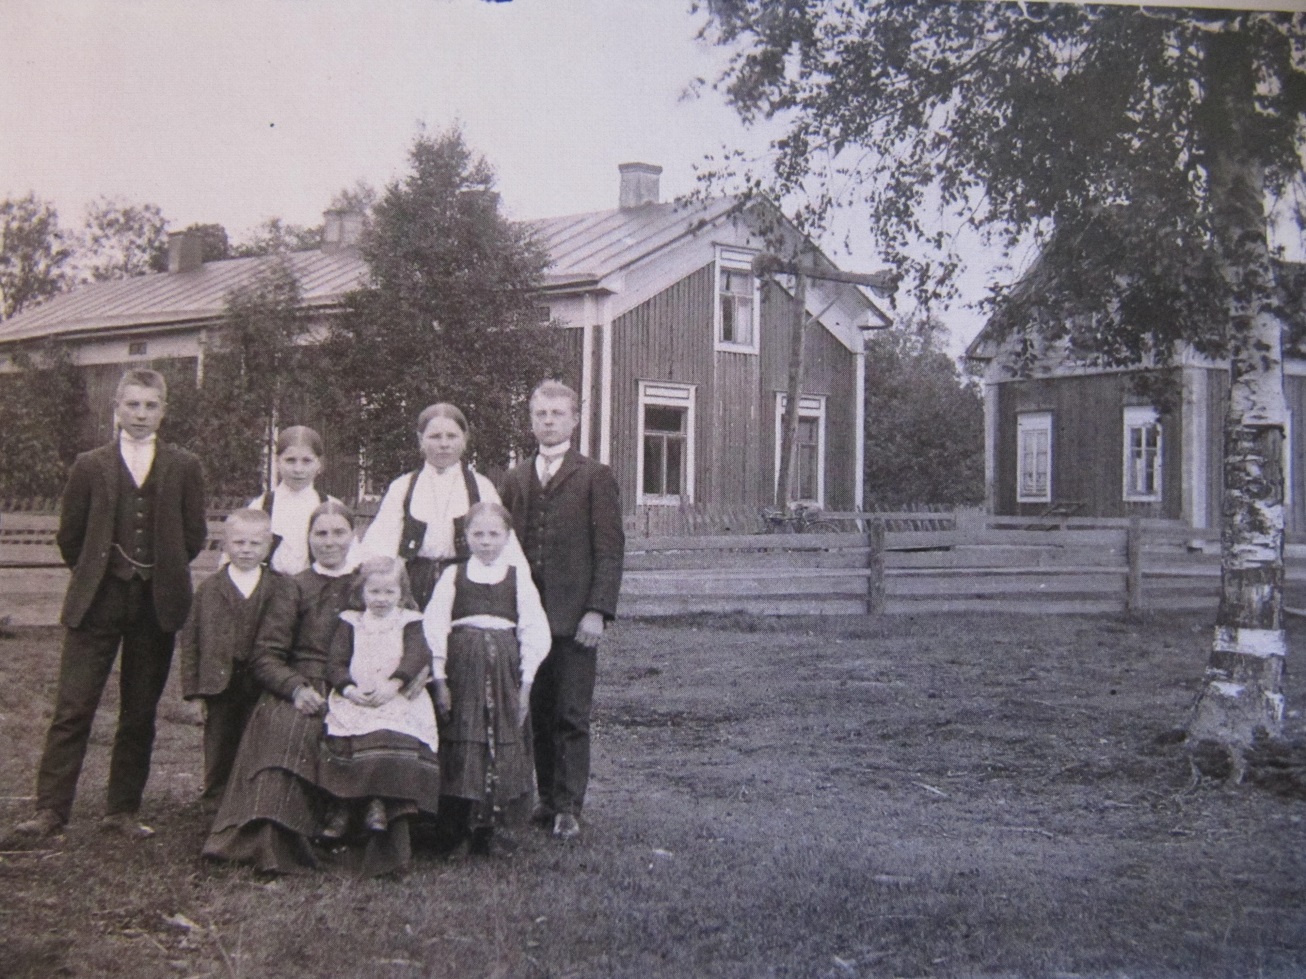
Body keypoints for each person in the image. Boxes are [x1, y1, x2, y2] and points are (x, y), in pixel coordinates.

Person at [8, 369, 207, 843]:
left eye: (150, 405)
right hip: (98, 601)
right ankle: (50, 811)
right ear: (116, 408)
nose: (141, 415)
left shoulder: (185, 466)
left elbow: (193, 536)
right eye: (132, 405)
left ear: (164, 410)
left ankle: (121, 810)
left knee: (139, 711)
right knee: (73, 708)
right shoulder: (89, 465)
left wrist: (156, 571)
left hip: (155, 604)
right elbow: (70, 537)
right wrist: (100, 571)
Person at [202, 500, 360, 873]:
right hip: (300, 682)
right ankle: (273, 838)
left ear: (354, 536)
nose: (330, 541)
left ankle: (351, 834)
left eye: (339, 532)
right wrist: (295, 688)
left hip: (355, 682)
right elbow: (266, 655)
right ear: (308, 537)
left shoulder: (369, 582)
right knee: (283, 732)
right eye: (320, 533)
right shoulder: (293, 587)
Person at [497, 380, 624, 841]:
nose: (548, 422)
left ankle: (569, 806)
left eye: (557, 414)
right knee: (537, 711)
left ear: (574, 419)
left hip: (575, 620)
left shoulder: (595, 476)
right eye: (540, 415)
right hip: (527, 621)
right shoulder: (514, 479)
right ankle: (545, 798)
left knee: (571, 713)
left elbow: (609, 551)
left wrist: (597, 611)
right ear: (531, 420)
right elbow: (504, 548)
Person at [423, 502, 550, 855]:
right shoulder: (453, 576)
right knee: (464, 735)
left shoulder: (517, 576)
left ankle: (490, 828)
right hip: (464, 668)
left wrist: (526, 683)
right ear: (465, 538)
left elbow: (533, 628)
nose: (486, 542)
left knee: (502, 736)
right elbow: (435, 625)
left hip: (506, 669)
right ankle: (457, 829)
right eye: (478, 534)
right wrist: (439, 677)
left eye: (494, 534)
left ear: (508, 537)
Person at [317, 555, 443, 865]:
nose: (382, 599)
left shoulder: (410, 621)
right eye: (374, 592)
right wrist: (348, 688)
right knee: (345, 733)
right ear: (362, 593)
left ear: (402, 593)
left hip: (395, 695)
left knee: (392, 733)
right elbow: (335, 661)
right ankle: (345, 808)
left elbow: (416, 655)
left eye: (390, 592)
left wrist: (394, 684)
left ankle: (379, 803)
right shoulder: (351, 621)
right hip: (357, 695)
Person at [178, 509, 291, 810]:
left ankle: (252, 799)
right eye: (238, 542)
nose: (246, 549)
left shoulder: (279, 587)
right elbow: (191, 641)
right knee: (219, 743)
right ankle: (215, 800)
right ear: (225, 544)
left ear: (268, 546)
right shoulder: (209, 589)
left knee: (257, 739)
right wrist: (193, 691)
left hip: (260, 681)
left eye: (255, 544)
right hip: (219, 682)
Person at [361, 403, 523, 610]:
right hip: (413, 586)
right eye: (435, 437)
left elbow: (505, 545)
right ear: (421, 440)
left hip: (465, 585)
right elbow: (380, 546)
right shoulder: (403, 488)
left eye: (452, 436)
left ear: (464, 440)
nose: (444, 444)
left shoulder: (481, 488)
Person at [248, 426, 352, 577]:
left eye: (307, 461)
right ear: (277, 462)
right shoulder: (260, 507)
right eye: (290, 460)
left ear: (319, 464)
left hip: (318, 591)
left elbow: (350, 557)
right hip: (271, 593)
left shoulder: (331, 507)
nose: (298, 469)